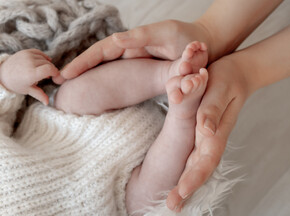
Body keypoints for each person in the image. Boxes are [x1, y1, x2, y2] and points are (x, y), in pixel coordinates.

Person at [53, 0, 290, 212]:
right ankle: (181, 110)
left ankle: (164, 74)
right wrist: (237, 63)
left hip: (52, 133)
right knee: (145, 201)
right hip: (114, 199)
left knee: (71, 96)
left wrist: (11, 75)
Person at [0, 41, 209, 215]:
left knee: (76, 94)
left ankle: (166, 74)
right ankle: (182, 115)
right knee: (147, 202)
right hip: (119, 198)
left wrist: (7, 78)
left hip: (67, 126)